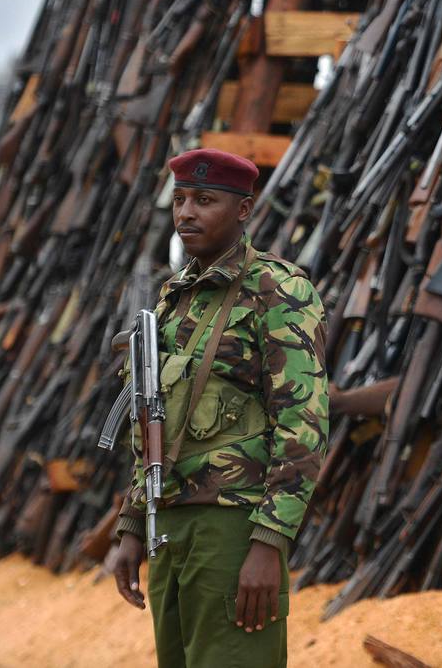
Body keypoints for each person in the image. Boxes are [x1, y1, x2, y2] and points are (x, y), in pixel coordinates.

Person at [111, 148, 329, 668]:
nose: (186, 212)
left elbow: (304, 421)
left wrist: (269, 540)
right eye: (180, 199)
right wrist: (131, 524)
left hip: (234, 527)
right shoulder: (172, 298)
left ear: (244, 210)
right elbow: (153, 420)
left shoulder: (278, 290)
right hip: (170, 526)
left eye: (205, 200)